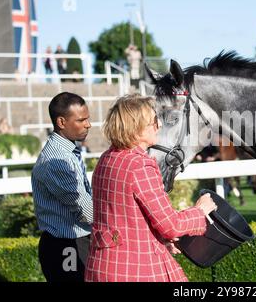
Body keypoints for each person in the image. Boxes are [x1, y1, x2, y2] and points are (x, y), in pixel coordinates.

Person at [85, 94, 217, 282]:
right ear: (137, 129)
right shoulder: (140, 165)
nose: (160, 125)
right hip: (136, 271)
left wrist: (158, 240)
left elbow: (126, 220)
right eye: (155, 120)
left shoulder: (107, 158)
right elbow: (172, 226)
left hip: (102, 267)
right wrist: (200, 211)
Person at [31, 92, 93, 282]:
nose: (88, 124)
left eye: (88, 119)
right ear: (61, 122)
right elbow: (87, 212)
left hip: (74, 242)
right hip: (66, 246)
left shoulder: (66, 151)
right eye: (81, 120)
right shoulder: (57, 160)